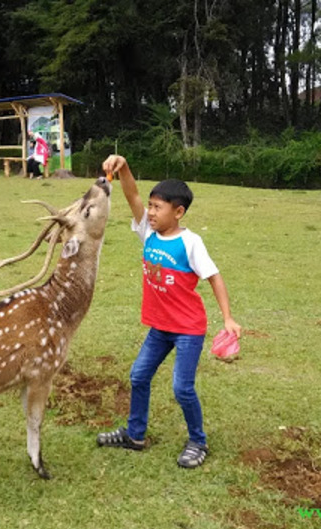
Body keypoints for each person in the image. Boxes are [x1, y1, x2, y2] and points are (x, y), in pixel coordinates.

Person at [96, 154, 243, 469]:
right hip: (160, 327)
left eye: (157, 207)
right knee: (138, 376)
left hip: (188, 329)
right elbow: (132, 195)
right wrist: (124, 167)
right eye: (149, 206)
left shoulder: (191, 243)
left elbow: (214, 277)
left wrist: (228, 318)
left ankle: (198, 441)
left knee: (182, 387)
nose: (149, 212)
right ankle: (135, 435)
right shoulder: (148, 233)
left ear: (178, 212)